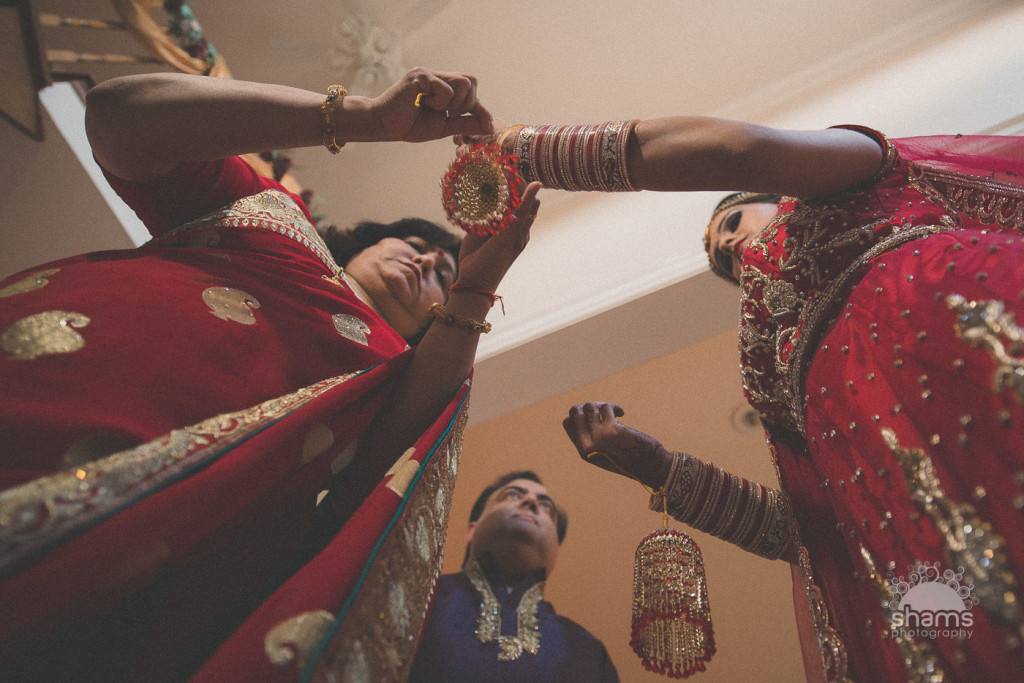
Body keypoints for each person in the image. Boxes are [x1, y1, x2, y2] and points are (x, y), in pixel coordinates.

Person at [0, 68, 542, 681]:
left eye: (443, 272)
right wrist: (364, 118)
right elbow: (116, 115)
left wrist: (475, 285)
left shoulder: (394, 379)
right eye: (413, 242)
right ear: (363, 242)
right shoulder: (271, 215)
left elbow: (388, 471)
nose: (424, 260)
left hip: (118, 567)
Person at [481, 118, 1024, 681]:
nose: (727, 248)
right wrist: (660, 469)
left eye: (733, 223)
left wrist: (528, 151)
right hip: (920, 516)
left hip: (976, 334)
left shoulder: (860, 183)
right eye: (723, 259)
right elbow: (810, 531)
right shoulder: (773, 370)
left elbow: (738, 150)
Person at [407, 470, 619, 682]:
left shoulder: (588, 652)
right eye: (513, 495)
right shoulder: (417, 595)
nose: (531, 501)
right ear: (472, 529)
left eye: (546, 506)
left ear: (555, 546)